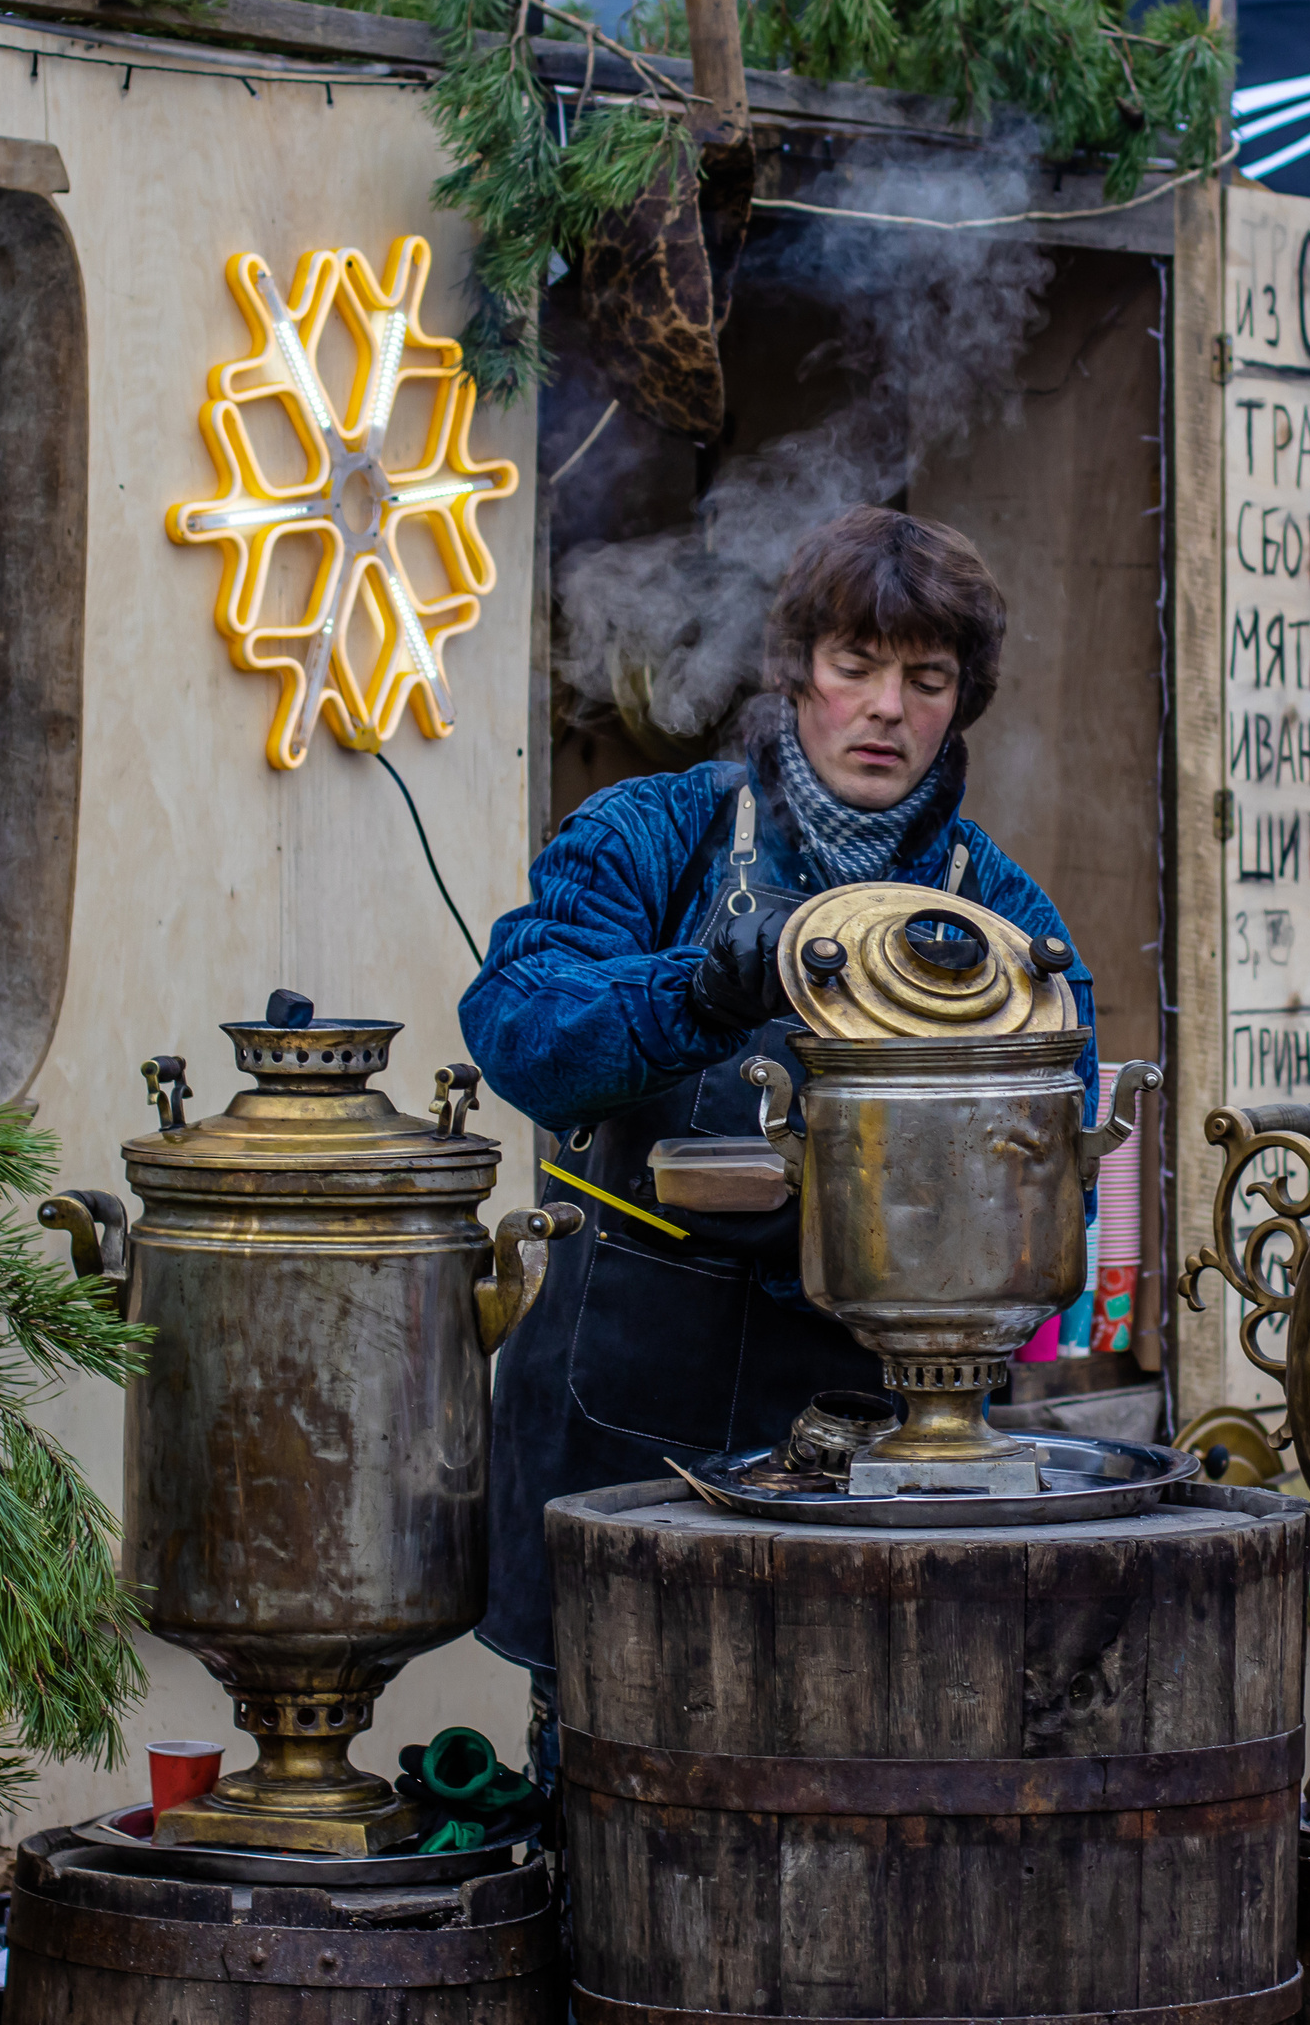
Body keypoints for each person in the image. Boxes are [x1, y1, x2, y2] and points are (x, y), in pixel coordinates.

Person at [459, 505, 1097, 1775]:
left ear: (961, 704)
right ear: (792, 669)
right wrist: (699, 988)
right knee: (605, 1776)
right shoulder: (654, 836)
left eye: (925, 679)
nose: (885, 709)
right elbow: (517, 1029)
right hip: (626, 1410)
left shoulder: (1006, 917)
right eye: (854, 666)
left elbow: (1057, 1163)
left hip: (868, 1419)